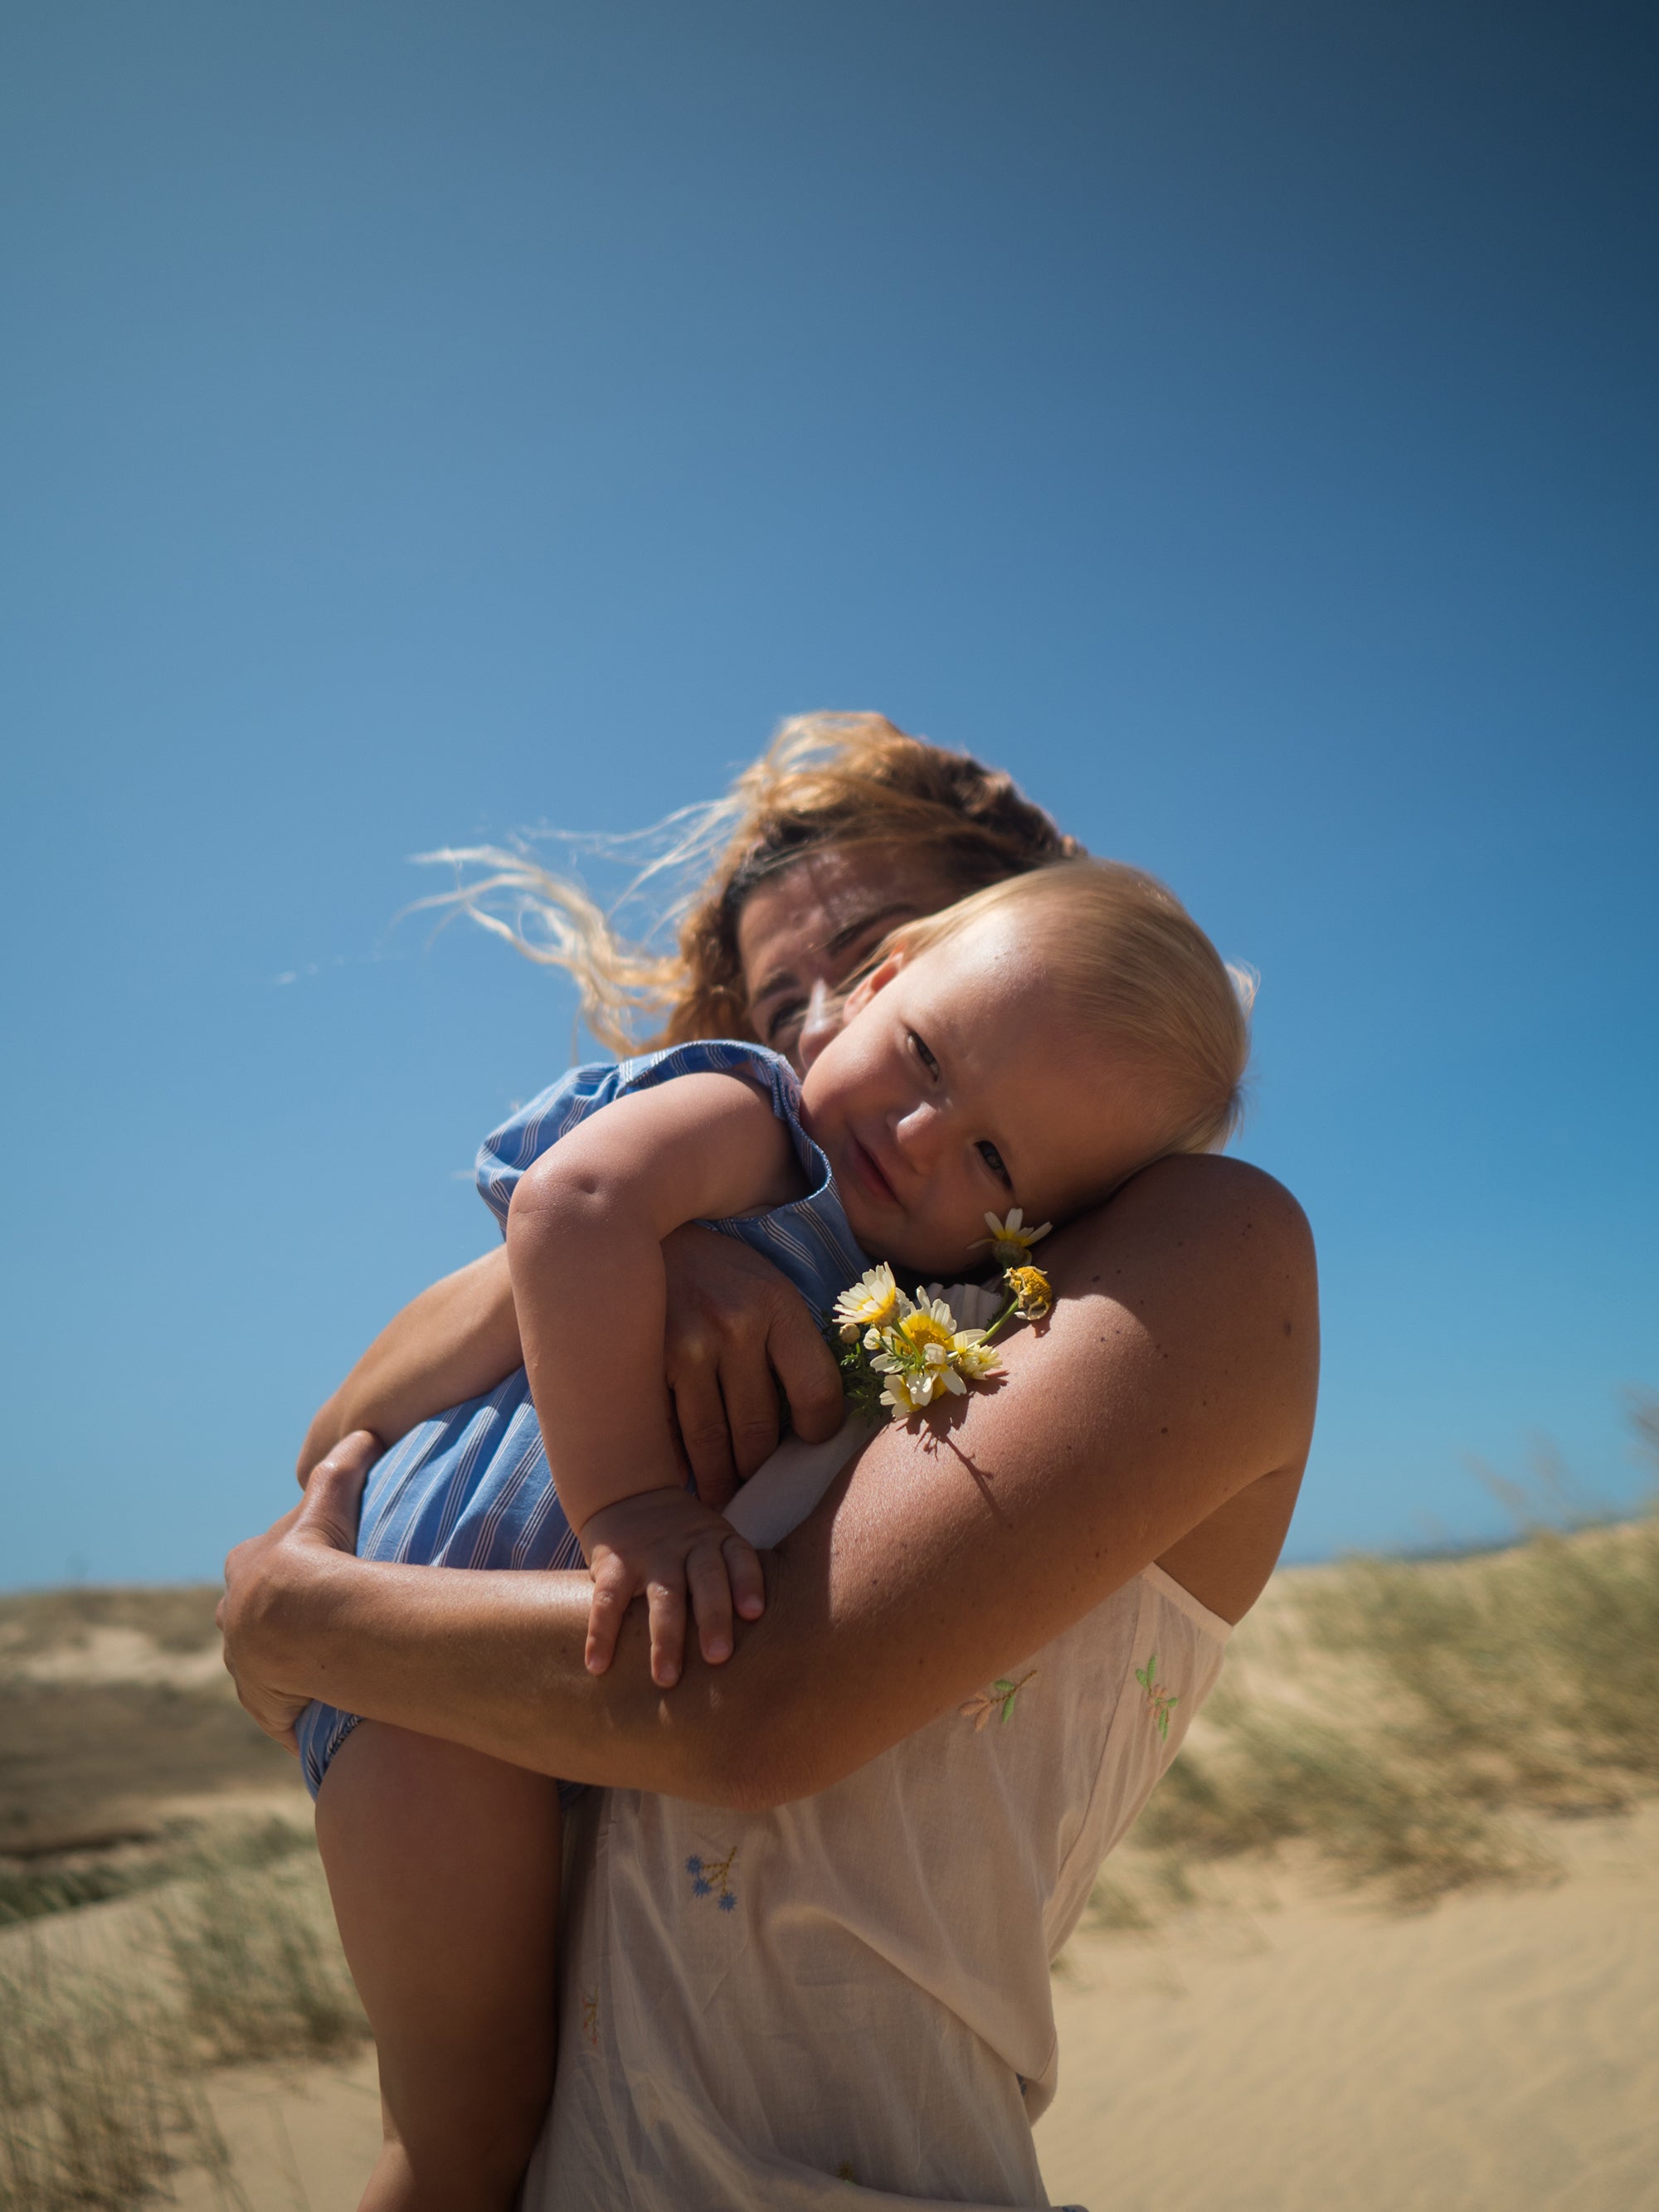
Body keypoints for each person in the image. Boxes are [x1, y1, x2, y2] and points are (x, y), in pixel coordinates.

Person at [221, 716, 1319, 2211]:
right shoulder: (768, 1189)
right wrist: (659, 1260)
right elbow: (349, 1426)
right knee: (451, 2139)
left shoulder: (1189, 1262)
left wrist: (302, 1620)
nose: (806, 1033)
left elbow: (759, 1709)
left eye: (858, 955)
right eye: (775, 995)